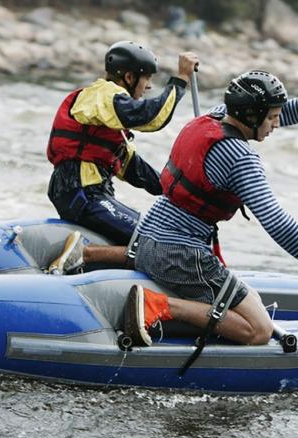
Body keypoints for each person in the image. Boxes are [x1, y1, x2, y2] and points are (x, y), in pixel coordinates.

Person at [124, 70, 298, 347]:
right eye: (272, 117)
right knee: (259, 329)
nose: (278, 123)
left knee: (249, 298)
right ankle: (157, 306)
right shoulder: (240, 158)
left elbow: (286, 113)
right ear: (252, 117)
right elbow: (275, 221)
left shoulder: (216, 116)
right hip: (178, 255)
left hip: (148, 237)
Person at [46, 41, 198, 274]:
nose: (147, 87)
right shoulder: (103, 94)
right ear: (129, 77)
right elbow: (151, 116)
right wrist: (181, 79)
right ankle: (83, 256)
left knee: (155, 234)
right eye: (146, 79)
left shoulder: (107, 118)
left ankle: (83, 268)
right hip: (82, 192)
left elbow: (135, 170)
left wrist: (181, 191)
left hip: (86, 194)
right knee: (153, 239)